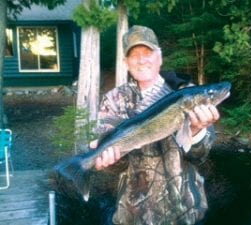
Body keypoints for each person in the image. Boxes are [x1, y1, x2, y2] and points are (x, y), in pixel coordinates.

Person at [90, 25, 220, 225]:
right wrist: (107, 161)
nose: (142, 60)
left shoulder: (190, 94)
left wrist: (196, 131)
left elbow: (200, 157)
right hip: (133, 216)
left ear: (160, 57)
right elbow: (115, 167)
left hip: (185, 212)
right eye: (134, 55)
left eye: (148, 52)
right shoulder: (113, 100)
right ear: (126, 63)